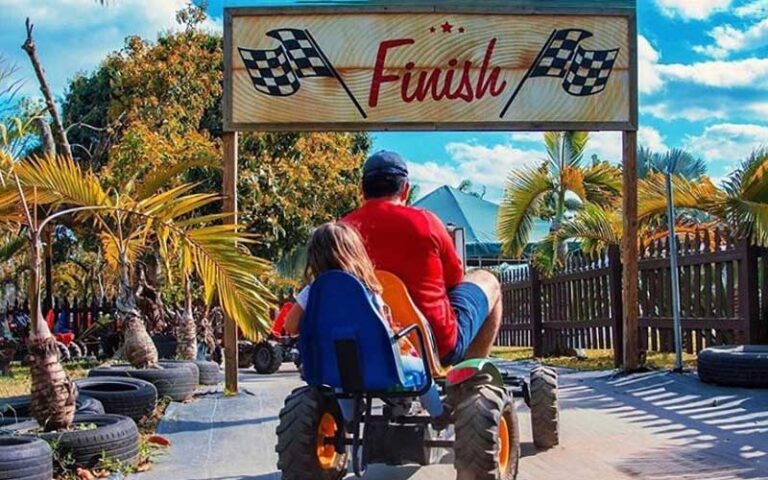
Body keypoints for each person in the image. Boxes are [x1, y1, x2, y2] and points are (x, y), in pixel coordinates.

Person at [343, 150, 503, 366]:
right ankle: (470, 378)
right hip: (434, 345)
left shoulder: (342, 230)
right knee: (488, 280)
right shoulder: (426, 222)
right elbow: (455, 279)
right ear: (406, 188)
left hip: (363, 345)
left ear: (362, 190)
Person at [283, 222, 416, 357]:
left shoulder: (313, 291)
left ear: (314, 257)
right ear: (356, 253)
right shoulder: (367, 288)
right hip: (373, 369)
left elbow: (290, 326)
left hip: (326, 370)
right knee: (420, 369)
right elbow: (384, 328)